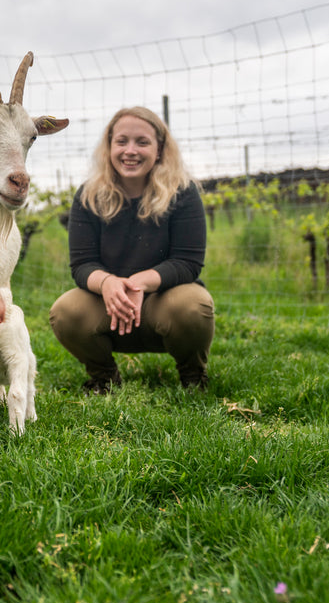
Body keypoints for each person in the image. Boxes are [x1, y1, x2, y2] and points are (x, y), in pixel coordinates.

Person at [48, 106, 215, 394]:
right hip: (108, 304)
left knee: (193, 306)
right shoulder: (89, 196)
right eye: (121, 141)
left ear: (160, 149)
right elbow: (82, 265)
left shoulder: (182, 192)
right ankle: (103, 378)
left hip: (163, 301)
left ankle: (193, 377)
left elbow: (188, 262)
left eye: (142, 142)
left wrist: (140, 282)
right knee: (65, 310)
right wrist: (108, 283)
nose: (130, 151)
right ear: (109, 146)